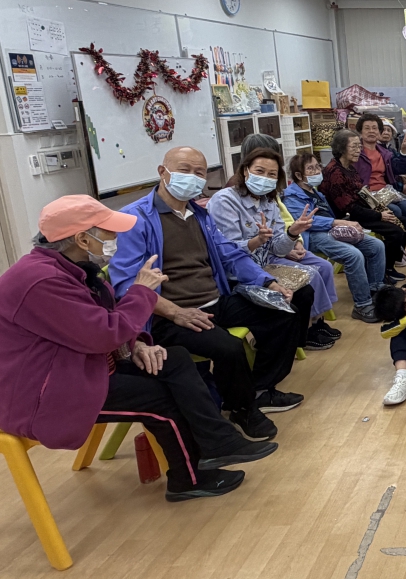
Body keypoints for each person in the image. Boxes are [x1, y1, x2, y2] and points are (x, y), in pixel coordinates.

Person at [0, 195, 276, 501]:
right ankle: (188, 479)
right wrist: (141, 291)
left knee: (175, 359)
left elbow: (100, 320)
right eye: (108, 232)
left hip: (80, 366)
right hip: (46, 392)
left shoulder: (71, 269)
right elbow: (103, 333)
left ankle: (220, 443)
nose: (115, 239)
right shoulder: (41, 280)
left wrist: (137, 344)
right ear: (82, 239)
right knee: (160, 396)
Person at [110, 147, 311, 441]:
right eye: (184, 170)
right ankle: (242, 409)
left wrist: (267, 282)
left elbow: (230, 254)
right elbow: (128, 284)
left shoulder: (200, 214)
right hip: (170, 314)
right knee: (228, 347)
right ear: (163, 172)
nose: (192, 177)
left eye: (199, 172)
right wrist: (176, 313)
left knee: (286, 311)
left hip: (216, 300)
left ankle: (258, 388)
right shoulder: (135, 218)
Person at [207, 147, 338, 350]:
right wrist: (257, 241)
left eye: (272, 174)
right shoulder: (225, 200)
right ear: (245, 171)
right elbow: (228, 252)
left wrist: (292, 233)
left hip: (266, 263)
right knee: (303, 287)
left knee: (308, 283)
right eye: (259, 171)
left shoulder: (269, 201)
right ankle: (287, 340)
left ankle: (299, 338)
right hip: (239, 273)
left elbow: (278, 248)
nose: (265, 178)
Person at [284, 152, 386, 323]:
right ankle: (362, 305)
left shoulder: (315, 192)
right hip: (313, 235)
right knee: (353, 255)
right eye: (310, 168)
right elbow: (306, 222)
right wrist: (336, 222)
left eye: (317, 166)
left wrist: (345, 223)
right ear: (298, 175)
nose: (317, 171)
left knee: (376, 245)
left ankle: (375, 290)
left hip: (332, 229)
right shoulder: (290, 196)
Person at [321, 129, 406, 277]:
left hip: (359, 210)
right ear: (341, 148)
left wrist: (379, 208)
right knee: (395, 230)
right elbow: (349, 207)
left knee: (404, 222)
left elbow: (361, 194)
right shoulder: (335, 172)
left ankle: (389, 265)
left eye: (359, 146)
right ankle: (383, 271)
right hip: (346, 217)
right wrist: (379, 215)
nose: (358, 150)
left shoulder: (349, 167)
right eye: (354, 147)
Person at [354, 113, 406, 237]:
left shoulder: (384, 152)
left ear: (378, 132)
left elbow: (400, 169)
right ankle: (396, 240)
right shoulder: (356, 152)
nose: (371, 131)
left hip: (385, 191)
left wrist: (404, 150)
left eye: (374, 128)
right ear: (360, 132)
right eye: (367, 128)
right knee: (395, 211)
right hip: (366, 195)